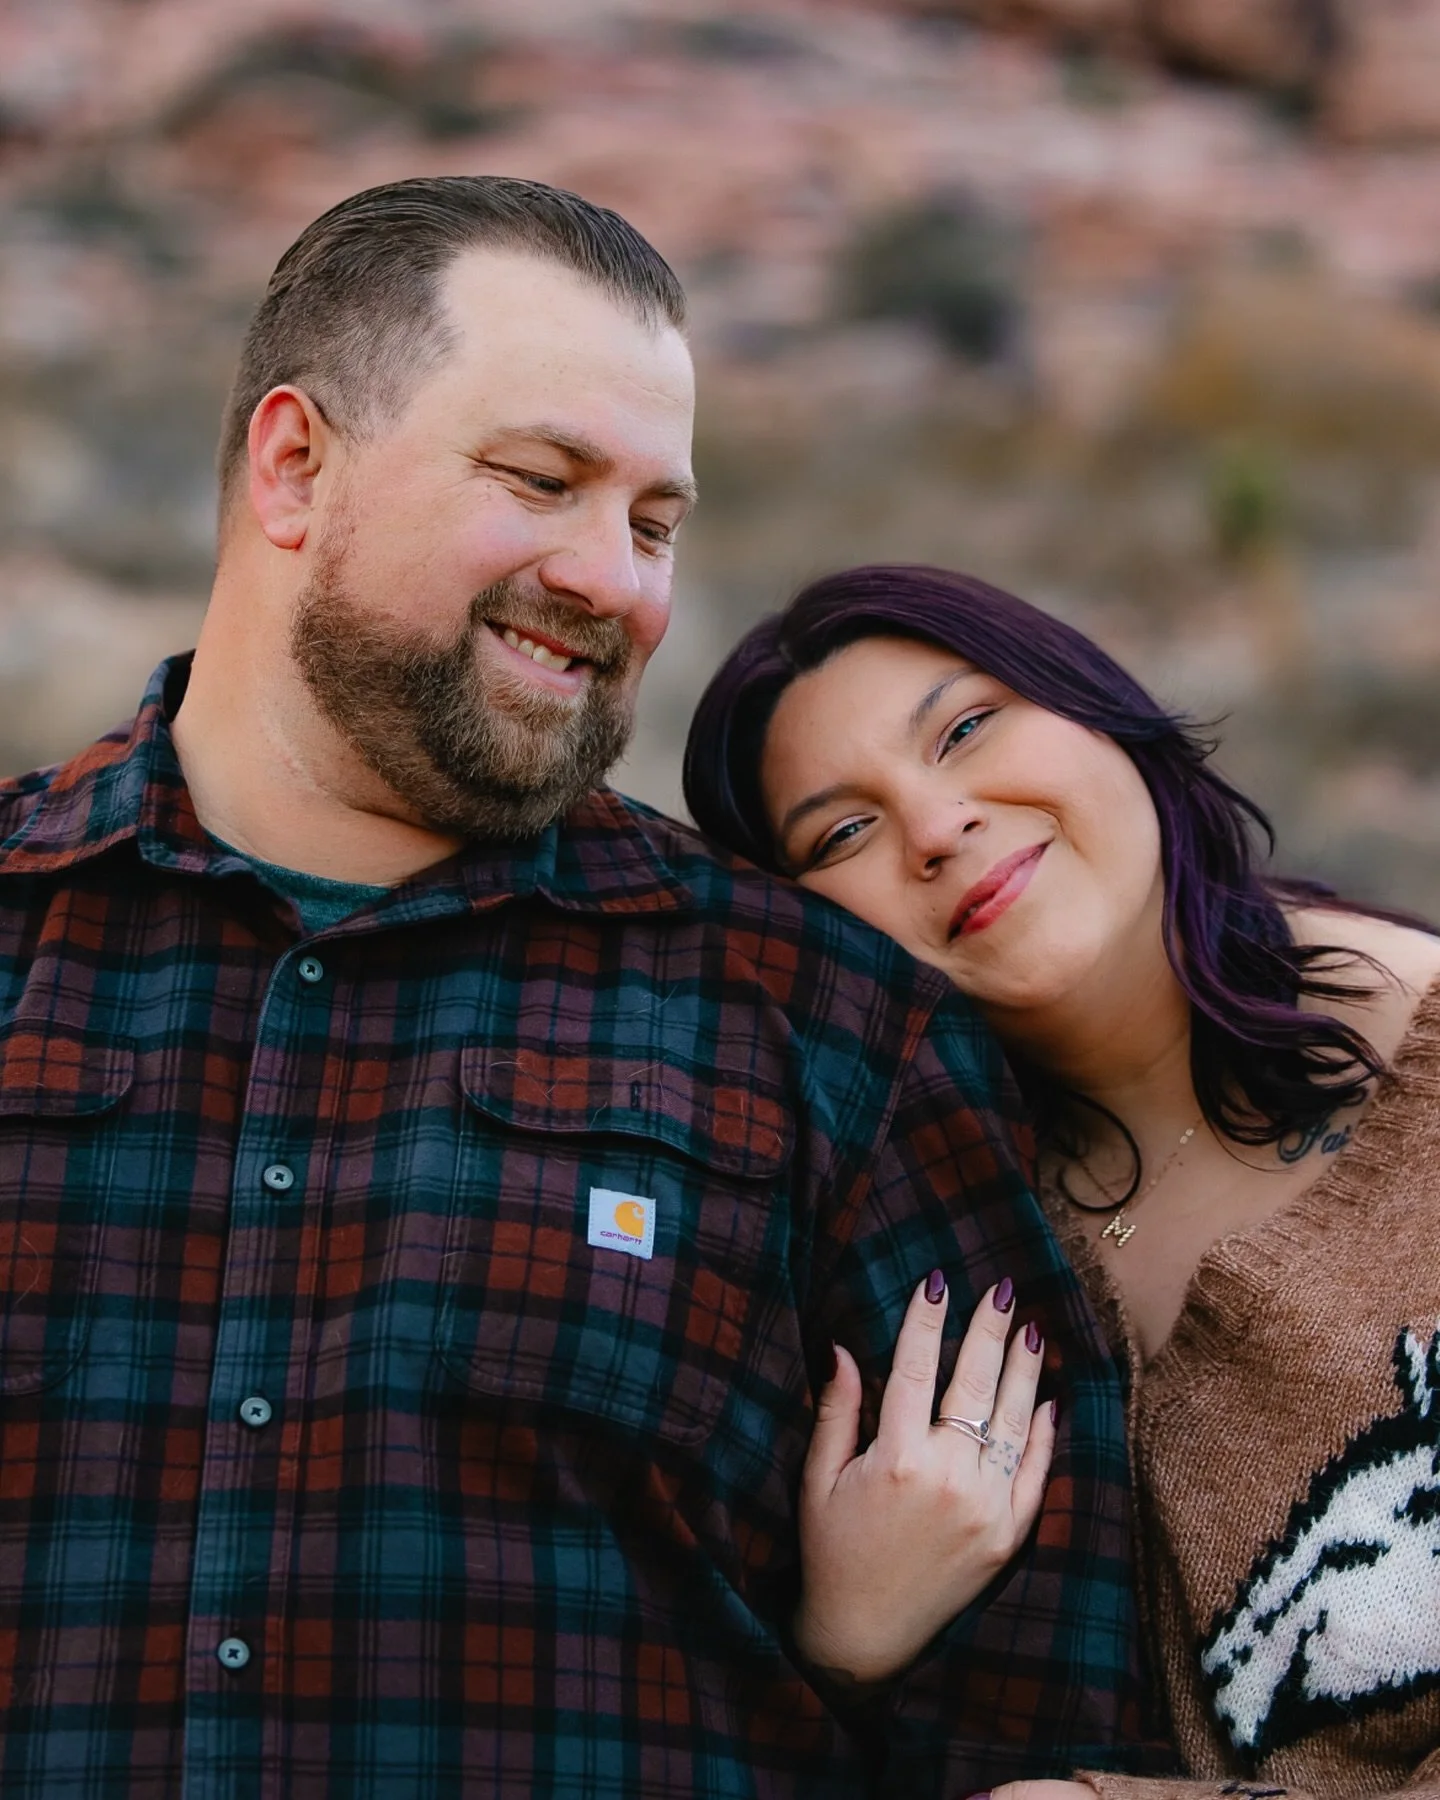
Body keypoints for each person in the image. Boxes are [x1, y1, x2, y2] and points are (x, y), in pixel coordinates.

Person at [0, 182, 1161, 1799]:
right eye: (542, 481)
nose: (612, 580)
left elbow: (1052, 1735)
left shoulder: (833, 1033)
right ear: (293, 466)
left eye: (655, 523)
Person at [683, 561, 1440, 1800]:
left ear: (1100, 709)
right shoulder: (916, 1245)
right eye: (844, 833)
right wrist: (849, 1643)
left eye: (968, 728)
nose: (938, 829)